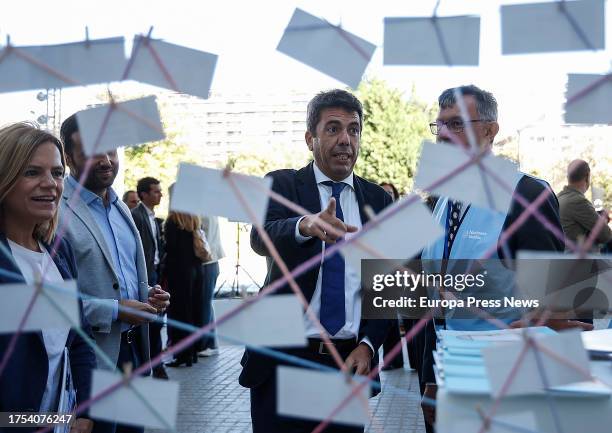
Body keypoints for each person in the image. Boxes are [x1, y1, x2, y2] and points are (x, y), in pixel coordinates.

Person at [419, 85, 587, 430]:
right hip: (449, 379)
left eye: (458, 124)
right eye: (440, 126)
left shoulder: (527, 194)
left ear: (490, 130)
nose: (445, 135)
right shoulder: (442, 202)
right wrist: (430, 379)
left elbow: (560, 304)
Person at [239, 89, 393, 433]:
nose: (345, 140)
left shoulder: (379, 200)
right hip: (283, 361)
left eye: (353, 130)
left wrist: (369, 346)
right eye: (333, 128)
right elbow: (260, 236)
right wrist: (304, 225)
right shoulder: (281, 184)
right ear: (311, 138)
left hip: (348, 365)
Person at [59, 114, 170, 433]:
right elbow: (53, 301)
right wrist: (116, 309)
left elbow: (122, 280)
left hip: (136, 354)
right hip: (90, 362)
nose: (106, 160)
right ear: (69, 158)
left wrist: (147, 295)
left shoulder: (121, 208)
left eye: (111, 150)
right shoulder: (55, 210)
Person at [0, 122, 96, 433]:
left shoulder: (59, 250)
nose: (50, 183)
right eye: (32, 172)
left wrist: (84, 413)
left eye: (57, 173)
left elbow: (79, 339)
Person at [163, 187, 211, 367]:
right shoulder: (194, 219)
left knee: (178, 313)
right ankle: (192, 353)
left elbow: (171, 249)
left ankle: (182, 354)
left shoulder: (173, 221)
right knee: (194, 310)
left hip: (179, 273)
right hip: (197, 270)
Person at [131, 177, 167, 379]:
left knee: (157, 321)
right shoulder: (136, 215)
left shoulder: (153, 217)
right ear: (143, 194)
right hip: (145, 274)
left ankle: (155, 362)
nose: (160, 194)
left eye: (160, 191)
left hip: (155, 272)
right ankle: (152, 364)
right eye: (156, 191)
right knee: (148, 322)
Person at [558, 160, 612, 252]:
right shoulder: (578, 201)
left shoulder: (559, 197)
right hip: (580, 262)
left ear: (568, 177)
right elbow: (606, 235)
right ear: (587, 177)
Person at [196, 215, 225, 357]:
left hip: (207, 261)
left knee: (203, 304)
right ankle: (210, 343)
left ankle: (205, 344)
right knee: (206, 303)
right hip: (211, 261)